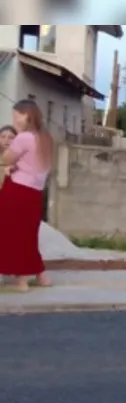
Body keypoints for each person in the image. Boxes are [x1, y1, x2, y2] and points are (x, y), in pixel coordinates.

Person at [0, 100, 54, 291]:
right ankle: (41, 276)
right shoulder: (46, 138)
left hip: (17, 190)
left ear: (27, 115)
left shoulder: (24, 137)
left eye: (17, 115)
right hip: (35, 192)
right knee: (29, 234)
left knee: (10, 233)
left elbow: (6, 158)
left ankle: (21, 280)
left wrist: (10, 161)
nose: (14, 120)